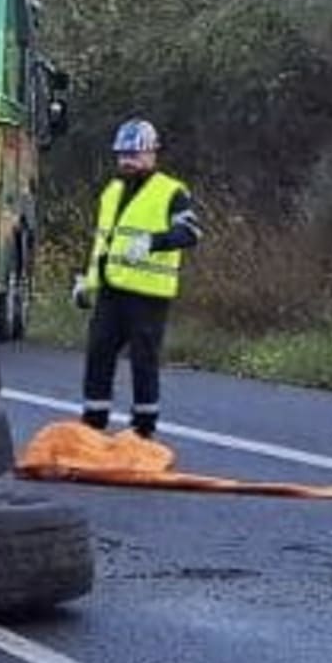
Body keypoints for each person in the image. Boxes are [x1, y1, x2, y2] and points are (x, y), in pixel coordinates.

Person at [72, 118, 201, 438]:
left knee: (144, 361)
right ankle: (93, 423)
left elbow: (190, 232)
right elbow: (102, 243)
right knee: (98, 353)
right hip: (112, 291)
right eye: (122, 155)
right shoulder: (112, 191)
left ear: (151, 155)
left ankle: (143, 429)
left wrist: (153, 243)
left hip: (148, 294)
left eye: (134, 155)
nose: (126, 161)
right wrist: (86, 284)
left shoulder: (172, 191)